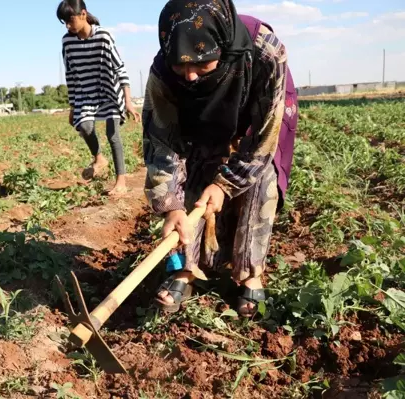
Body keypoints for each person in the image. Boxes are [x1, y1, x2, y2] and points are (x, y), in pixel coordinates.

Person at [143, 0, 298, 317]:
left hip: (258, 121)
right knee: (196, 173)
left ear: (223, 47)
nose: (189, 76)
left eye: (202, 64)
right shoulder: (163, 71)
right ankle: (184, 270)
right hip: (202, 124)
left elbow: (264, 136)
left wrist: (225, 185)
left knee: (261, 177)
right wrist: (170, 204)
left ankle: (251, 273)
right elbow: (162, 141)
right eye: (179, 65)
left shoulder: (264, 50)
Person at [57, 0, 141, 196]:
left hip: (109, 92)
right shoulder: (67, 42)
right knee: (85, 128)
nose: (68, 26)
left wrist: (128, 101)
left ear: (83, 14)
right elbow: (70, 75)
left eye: (70, 21)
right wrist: (72, 107)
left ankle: (121, 180)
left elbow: (120, 68)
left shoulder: (103, 36)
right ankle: (99, 158)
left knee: (113, 134)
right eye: (64, 23)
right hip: (85, 93)